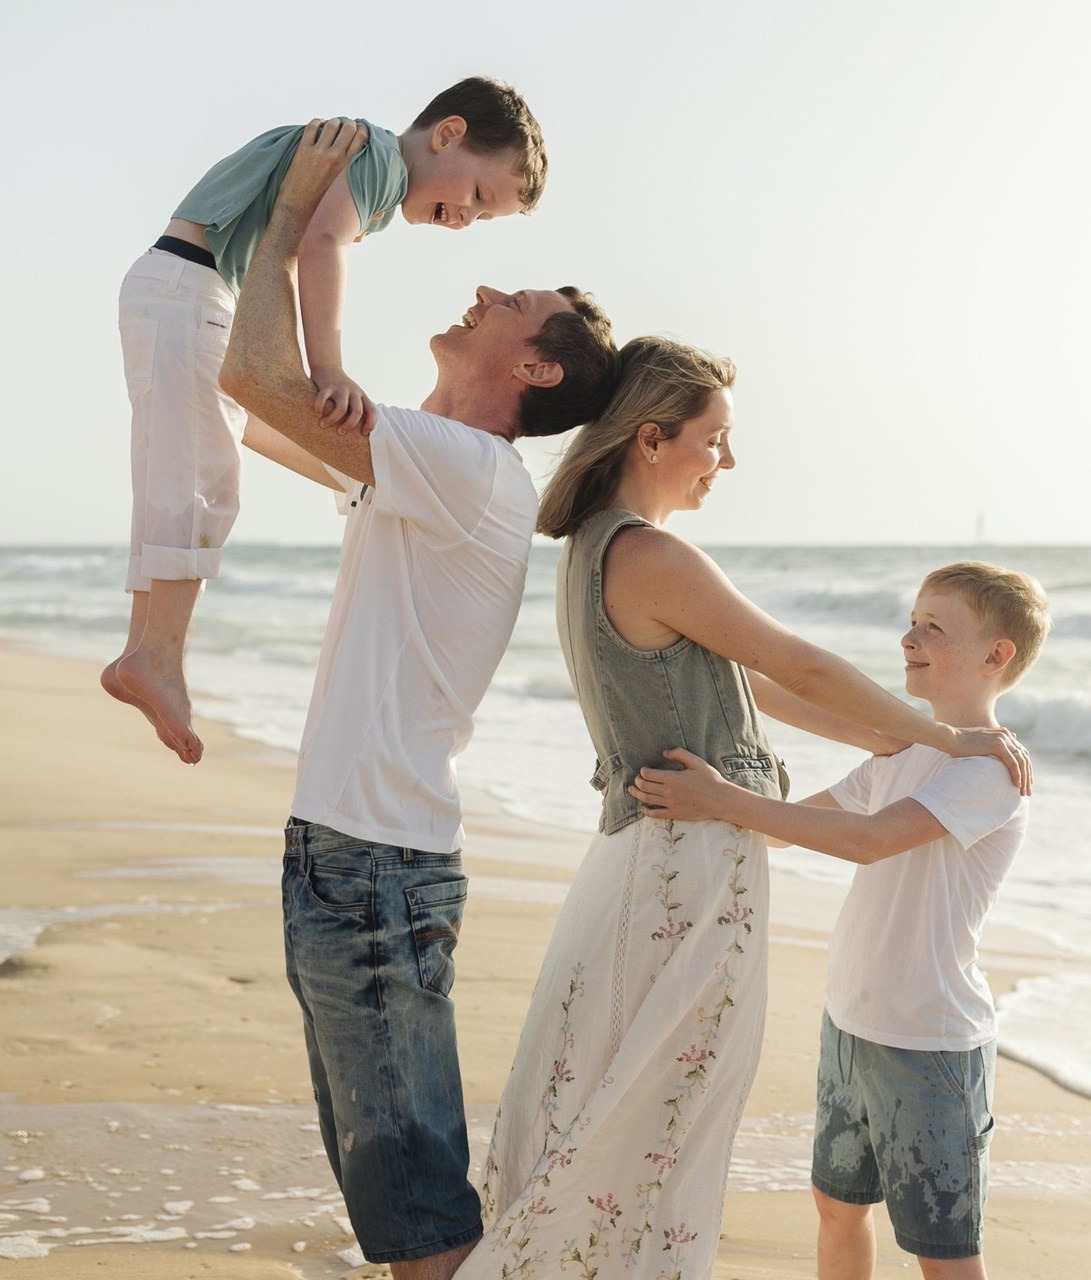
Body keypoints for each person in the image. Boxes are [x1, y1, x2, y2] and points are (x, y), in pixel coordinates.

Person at [455, 339, 1032, 1280]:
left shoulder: (596, 547)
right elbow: (792, 664)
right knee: (661, 1103)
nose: (728, 462)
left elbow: (756, 690)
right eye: (716, 439)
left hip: (649, 852)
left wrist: (906, 739)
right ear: (652, 439)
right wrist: (948, 739)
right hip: (687, 866)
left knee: (609, 1086)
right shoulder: (650, 553)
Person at [217, 120, 618, 1280]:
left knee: (419, 1210)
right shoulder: (428, 457)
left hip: (373, 862)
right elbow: (255, 413)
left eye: (513, 299)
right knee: (390, 1192)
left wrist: (296, 215)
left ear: (533, 369)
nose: (483, 283)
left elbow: (257, 379)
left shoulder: (472, 470)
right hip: (345, 853)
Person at [102, 77, 549, 766]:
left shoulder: (368, 161)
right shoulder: (374, 157)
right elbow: (319, 245)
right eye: (480, 197)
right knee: (201, 478)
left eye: (483, 220)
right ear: (448, 134)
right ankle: (158, 656)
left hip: (178, 283)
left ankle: (145, 651)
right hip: (193, 288)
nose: (466, 222)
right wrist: (329, 368)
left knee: (180, 465)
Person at [630, 561, 1051, 1280]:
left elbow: (865, 840)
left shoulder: (988, 771)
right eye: (913, 620)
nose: (908, 637)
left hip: (930, 1043)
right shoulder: (902, 749)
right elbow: (793, 825)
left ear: (997, 655)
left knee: (944, 1255)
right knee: (835, 1208)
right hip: (851, 1025)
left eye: (933, 628)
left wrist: (721, 799)